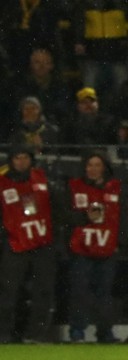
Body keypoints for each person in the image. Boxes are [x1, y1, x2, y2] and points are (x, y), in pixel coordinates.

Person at [66, 150, 128, 343]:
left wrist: (120, 242)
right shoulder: (74, 187)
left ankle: (105, 332)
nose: (93, 169)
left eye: (97, 165)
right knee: (79, 291)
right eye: (90, 165)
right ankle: (77, 331)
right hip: (81, 249)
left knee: (105, 292)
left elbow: (123, 217)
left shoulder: (116, 189)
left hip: (107, 248)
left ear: (104, 167)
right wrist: (83, 218)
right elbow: (64, 215)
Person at [0, 146, 57, 343]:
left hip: (42, 244)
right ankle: (3, 334)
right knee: (8, 291)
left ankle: (36, 335)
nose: (21, 162)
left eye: (25, 157)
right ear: (11, 160)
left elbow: (57, 207)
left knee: (43, 291)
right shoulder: (2, 183)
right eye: (17, 157)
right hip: (15, 244)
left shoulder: (43, 179)